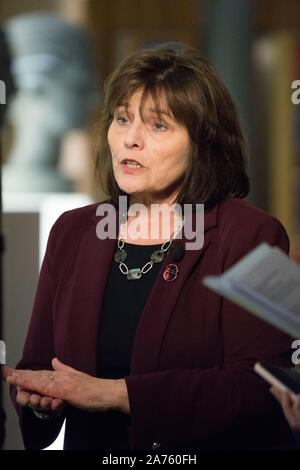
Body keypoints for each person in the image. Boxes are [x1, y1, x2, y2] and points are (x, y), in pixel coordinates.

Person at [2, 42, 298, 450]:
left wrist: (113, 394)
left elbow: (259, 387)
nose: (130, 140)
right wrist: (42, 403)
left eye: (158, 126)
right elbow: (39, 364)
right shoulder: (73, 231)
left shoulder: (252, 236)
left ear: (203, 141)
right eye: (122, 119)